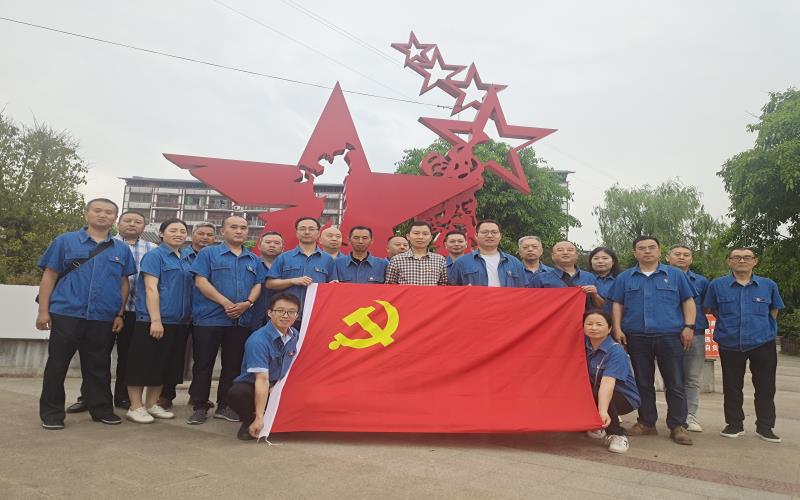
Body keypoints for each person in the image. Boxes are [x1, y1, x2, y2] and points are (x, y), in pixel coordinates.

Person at [36, 198, 136, 429]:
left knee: (98, 366)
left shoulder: (121, 249)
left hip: (102, 317)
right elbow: (49, 276)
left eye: (109, 212)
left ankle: (101, 410)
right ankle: (52, 414)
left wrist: (119, 314)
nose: (103, 215)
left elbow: (124, 284)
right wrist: (43, 312)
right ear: (86, 214)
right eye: (97, 210)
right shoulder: (65, 241)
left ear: (115, 218)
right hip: (66, 313)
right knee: (57, 365)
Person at [65, 210, 157, 413]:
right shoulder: (106, 244)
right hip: (105, 311)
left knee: (128, 357)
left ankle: (123, 398)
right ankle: (88, 397)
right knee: (96, 357)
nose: (132, 224)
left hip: (137, 311)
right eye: (127, 220)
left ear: (144, 226)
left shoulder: (153, 249)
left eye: (138, 221)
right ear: (118, 223)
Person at [610, 236, 696, 445]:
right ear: (635, 253)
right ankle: (647, 422)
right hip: (636, 336)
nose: (647, 251)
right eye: (642, 248)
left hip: (670, 335)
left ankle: (677, 425)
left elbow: (688, 301)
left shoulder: (675, 275)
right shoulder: (625, 278)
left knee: (675, 382)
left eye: (651, 247)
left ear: (659, 251)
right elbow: (617, 304)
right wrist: (618, 328)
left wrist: (689, 326)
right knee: (643, 382)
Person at [187, 215, 265, 425]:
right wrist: (226, 303)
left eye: (243, 228)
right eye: (234, 227)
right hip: (209, 319)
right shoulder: (208, 253)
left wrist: (248, 303)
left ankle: (225, 406)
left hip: (240, 321)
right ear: (223, 231)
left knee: (233, 366)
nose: (239, 231)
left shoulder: (253, 259)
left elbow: (258, 284)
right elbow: (201, 281)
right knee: (203, 364)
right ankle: (200, 406)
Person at [704, 247, 785, 443]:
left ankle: (765, 427)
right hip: (730, 342)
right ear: (729, 261)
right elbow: (712, 309)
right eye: (737, 257)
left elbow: (774, 310)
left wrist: (760, 328)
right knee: (732, 386)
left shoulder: (768, 285)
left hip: (762, 342)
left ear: (755, 261)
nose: (742, 261)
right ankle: (734, 425)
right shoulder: (717, 285)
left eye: (747, 257)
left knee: (766, 387)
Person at [125, 219, 193, 423]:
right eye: (173, 230)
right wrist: (155, 320)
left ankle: (151, 404)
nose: (178, 234)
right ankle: (135, 407)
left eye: (182, 231)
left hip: (178, 321)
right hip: (153, 320)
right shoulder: (155, 256)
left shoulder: (186, 258)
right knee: (142, 364)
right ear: (161, 234)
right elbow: (150, 289)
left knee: (164, 365)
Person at [226, 293, 301, 441]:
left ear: (297, 315)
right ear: (269, 313)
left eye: (291, 311)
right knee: (237, 393)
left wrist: (280, 387)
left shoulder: (295, 335)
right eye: (280, 310)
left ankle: (277, 419)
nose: (285, 315)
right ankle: (252, 420)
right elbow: (262, 379)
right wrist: (259, 416)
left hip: (279, 384)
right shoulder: (258, 340)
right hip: (257, 385)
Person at [158, 222, 216, 410]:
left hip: (205, 315)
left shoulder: (216, 258)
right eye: (201, 233)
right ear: (193, 235)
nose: (205, 237)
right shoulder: (180, 255)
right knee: (174, 356)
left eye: (209, 234)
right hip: (180, 314)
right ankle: (166, 395)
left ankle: (197, 396)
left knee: (203, 358)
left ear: (215, 238)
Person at [665, 244, 709, 433]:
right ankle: (675, 415)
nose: (681, 257)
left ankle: (690, 415)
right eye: (677, 254)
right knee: (672, 378)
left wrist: (690, 325)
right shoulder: (660, 277)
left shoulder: (702, 282)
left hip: (695, 333)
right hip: (668, 334)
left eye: (686, 255)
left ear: (691, 259)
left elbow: (706, 307)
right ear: (668, 257)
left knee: (692, 378)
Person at [584, 310, 641, 454]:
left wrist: (602, 411)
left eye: (599, 324)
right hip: (599, 392)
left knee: (597, 392)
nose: (594, 328)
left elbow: (608, 383)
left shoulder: (616, 351)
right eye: (589, 324)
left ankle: (617, 435)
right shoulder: (584, 347)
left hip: (625, 397)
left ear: (609, 328)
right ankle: (597, 426)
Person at [266, 217, 337, 324]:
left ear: (318, 233)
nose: (307, 232)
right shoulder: (284, 257)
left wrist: (334, 286)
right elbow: (270, 284)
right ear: (297, 232)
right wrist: (293, 281)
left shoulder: (327, 259)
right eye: (302, 229)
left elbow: (332, 286)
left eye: (311, 229)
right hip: (287, 317)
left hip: (315, 316)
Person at [529, 241, 604, 309]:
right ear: (553, 256)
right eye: (560, 250)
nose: (565, 252)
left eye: (570, 250)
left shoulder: (589, 277)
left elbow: (601, 306)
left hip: (583, 319)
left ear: (577, 255)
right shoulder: (540, 278)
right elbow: (531, 305)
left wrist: (595, 295)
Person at [449, 220, 526, 287]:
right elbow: (452, 291)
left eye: (494, 232)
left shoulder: (514, 263)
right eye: (484, 232)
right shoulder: (461, 262)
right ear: (476, 236)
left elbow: (523, 291)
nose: (489, 235)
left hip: (507, 300)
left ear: (500, 236)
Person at [385, 221, 448, 286]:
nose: (420, 237)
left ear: (431, 238)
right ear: (408, 236)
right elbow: (389, 286)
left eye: (425, 234)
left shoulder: (440, 260)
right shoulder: (396, 260)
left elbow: (444, 286)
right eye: (416, 233)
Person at [249, 232, 284, 331]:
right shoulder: (250, 264)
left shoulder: (287, 266)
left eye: (277, 243)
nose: (272, 245)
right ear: (259, 246)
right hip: (251, 316)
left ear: (283, 247)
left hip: (280, 317)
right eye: (268, 242)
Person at [589, 246, 621, 313]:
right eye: (596, 258)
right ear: (591, 261)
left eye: (605, 258)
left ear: (613, 262)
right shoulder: (584, 279)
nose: (600, 261)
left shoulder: (621, 280)